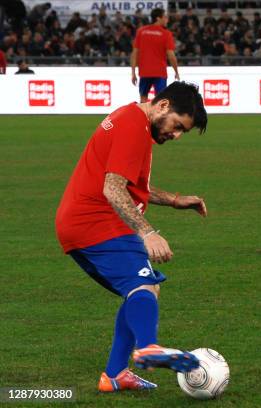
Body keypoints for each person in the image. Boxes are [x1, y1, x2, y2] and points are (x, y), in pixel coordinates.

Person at [55, 82, 208, 392]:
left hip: (84, 221)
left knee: (144, 288)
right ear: (162, 106)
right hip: (96, 221)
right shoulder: (133, 126)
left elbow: (132, 185)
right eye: (178, 126)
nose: (175, 135)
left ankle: (114, 375)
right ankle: (148, 348)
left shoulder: (133, 121)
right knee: (142, 285)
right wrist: (148, 233)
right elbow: (112, 188)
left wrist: (176, 200)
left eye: (182, 132)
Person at [131, 8, 179, 103]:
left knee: (143, 98)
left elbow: (135, 53)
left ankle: (144, 118)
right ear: (158, 18)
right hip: (159, 72)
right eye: (165, 17)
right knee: (160, 100)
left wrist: (133, 72)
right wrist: (176, 71)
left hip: (144, 72)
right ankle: (158, 118)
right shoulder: (166, 34)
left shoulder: (141, 31)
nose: (167, 19)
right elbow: (171, 56)